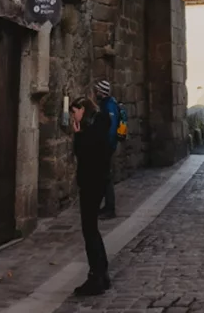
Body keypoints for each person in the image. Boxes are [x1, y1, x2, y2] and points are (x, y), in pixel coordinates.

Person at [71, 95, 112, 296]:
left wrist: (78, 135)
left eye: (74, 112)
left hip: (91, 183)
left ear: (82, 109)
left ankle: (96, 276)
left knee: (89, 230)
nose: (73, 116)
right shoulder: (99, 125)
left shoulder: (92, 130)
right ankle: (102, 273)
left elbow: (84, 154)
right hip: (98, 182)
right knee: (92, 229)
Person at [95, 79, 119, 219]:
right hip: (106, 146)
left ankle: (110, 208)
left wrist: (106, 144)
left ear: (102, 91)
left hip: (107, 146)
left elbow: (111, 127)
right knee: (104, 176)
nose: (96, 92)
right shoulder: (106, 104)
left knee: (107, 177)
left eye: (98, 90)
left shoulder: (109, 106)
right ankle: (106, 206)